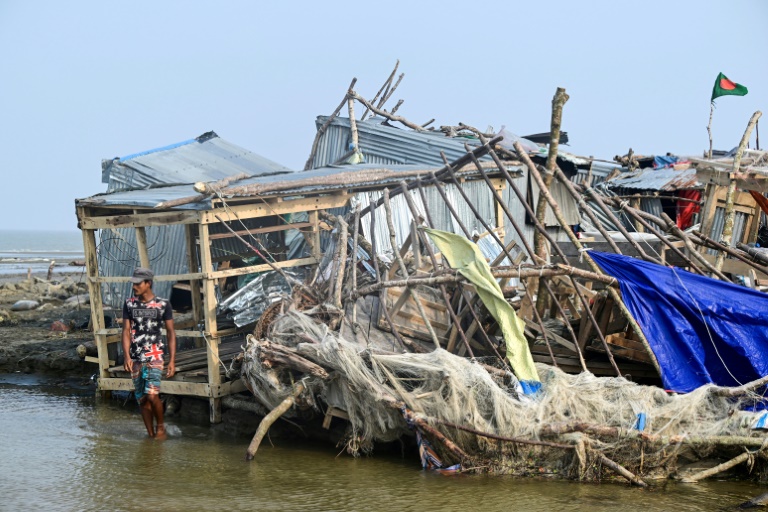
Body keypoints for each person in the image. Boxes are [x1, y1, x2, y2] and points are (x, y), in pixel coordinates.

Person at [121, 267, 176, 439]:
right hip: (136, 357)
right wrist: (127, 356)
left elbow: (171, 333)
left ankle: (160, 428)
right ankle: (150, 434)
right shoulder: (129, 304)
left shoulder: (163, 304)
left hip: (155, 355)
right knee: (142, 399)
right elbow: (126, 331)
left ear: (148, 283)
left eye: (138, 283)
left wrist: (172, 360)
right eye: (134, 283)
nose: (134, 286)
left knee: (152, 395)